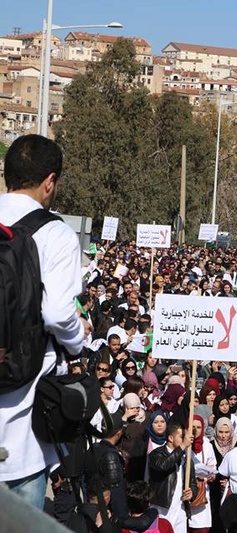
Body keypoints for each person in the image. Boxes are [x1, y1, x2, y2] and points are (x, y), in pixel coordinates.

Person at [0, 134, 88, 509]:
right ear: (50, 181)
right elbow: (56, 313)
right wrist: (78, 339)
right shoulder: (56, 234)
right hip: (21, 430)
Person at [147, 422, 197, 533]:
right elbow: (163, 465)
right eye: (182, 437)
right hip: (163, 508)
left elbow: (193, 483)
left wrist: (192, 493)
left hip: (180, 509)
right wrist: (182, 446)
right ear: (170, 438)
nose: (185, 440)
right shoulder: (156, 454)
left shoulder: (187, 458)